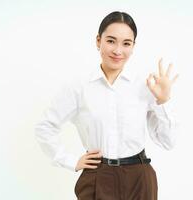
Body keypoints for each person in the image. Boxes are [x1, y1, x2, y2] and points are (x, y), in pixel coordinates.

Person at [34, 11, 179, 200]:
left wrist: (163, 101)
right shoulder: (79, 87)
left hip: (139, 177)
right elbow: (45, 127)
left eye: (126, 43)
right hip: (97, 177)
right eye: (111, 41)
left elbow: (168, 142)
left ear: (133, 46)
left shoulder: (146, 86)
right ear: (98, 41)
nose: (118, 51)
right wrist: (70, 161)